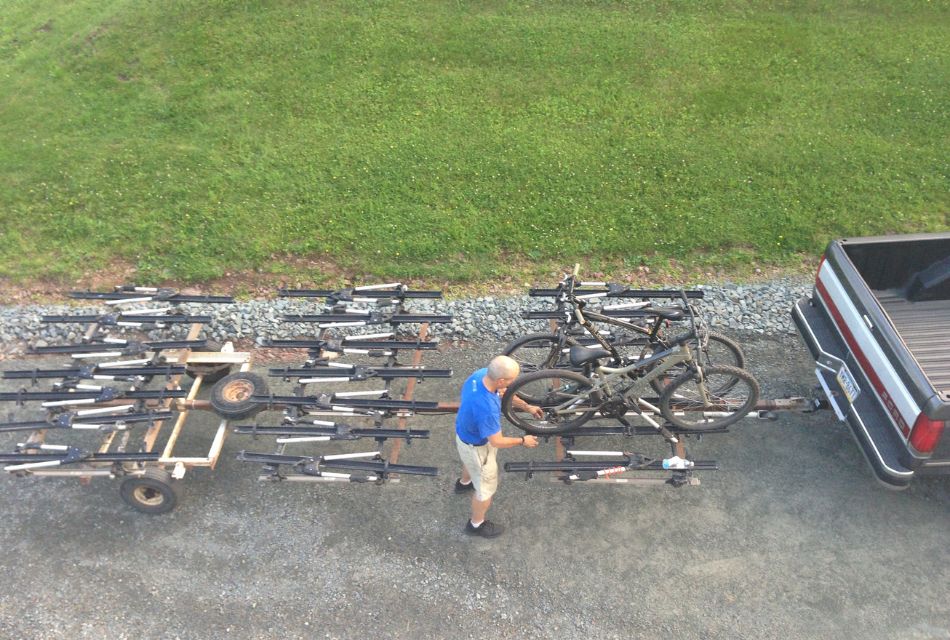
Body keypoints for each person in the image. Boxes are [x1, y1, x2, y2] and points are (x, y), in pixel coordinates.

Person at [454, 355, 541, 538]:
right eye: (511, 380)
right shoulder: (487, 409)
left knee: (469, 462)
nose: (513, 383)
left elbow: (504, 393)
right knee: (485, 490)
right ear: (501, 380)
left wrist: (527, 407)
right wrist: (523, 441)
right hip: (478, 447)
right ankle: (476, 525)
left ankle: (464, 483)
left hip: (463, 435)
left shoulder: (482, 375)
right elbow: (497, 441)